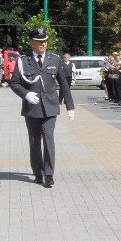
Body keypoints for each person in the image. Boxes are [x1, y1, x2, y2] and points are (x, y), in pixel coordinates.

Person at [9, 27, 74, 188]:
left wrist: (70, 106)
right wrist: (25, 94)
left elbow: (64, 84)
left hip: (50, 107)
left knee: (48, 138)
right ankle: (38, 172)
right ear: (31, 43)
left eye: (44, 41)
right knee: (34, 141)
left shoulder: (54, 59)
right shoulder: (23, 61)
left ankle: (49, 173)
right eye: (39, 41)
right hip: (32, 107)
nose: (43, 44)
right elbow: (14, 83)